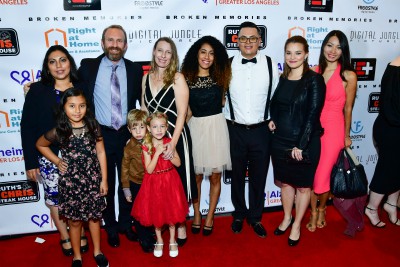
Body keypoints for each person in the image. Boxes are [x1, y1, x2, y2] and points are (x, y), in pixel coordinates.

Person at [78, 24, 144, 248]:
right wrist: (36, 87)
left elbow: (140, 100)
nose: (114, 45)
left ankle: (126, 223)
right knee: (106, 184)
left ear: (125, 45)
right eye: (110, 40)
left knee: (128, 181)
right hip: (101, 136)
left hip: (127, 135)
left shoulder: (135, 70)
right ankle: (112, 226)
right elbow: (67, 85)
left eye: (119, 41)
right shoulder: (88, 67)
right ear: (103, 43)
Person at [20, 45, 88, 256]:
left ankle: (81, 231)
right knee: (55, 198)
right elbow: (27, 126)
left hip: (80, 156)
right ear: (47, 67)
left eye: (63, 60)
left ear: (70, 62)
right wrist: (30, 162)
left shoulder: (82, 87)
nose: (59, 66)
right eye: (52, 61)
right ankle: (65, 236)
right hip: (49, 156)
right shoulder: (37, 90)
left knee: (80, 196)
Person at [36, 88, 109, 267]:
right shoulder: (60, 130)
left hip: (92, 179)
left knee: (94, 219)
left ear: (87, 107)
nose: (77, 110)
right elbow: (40, 144)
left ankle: (98, 251)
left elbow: (101, 152)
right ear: (64, 108)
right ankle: (77, 256)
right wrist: (57, 160)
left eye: (82, 106)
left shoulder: (93, 126)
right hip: (71, 181)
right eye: (72, 106)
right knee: (74, 222)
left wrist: (104, 179)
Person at [222, 21, 279, 237]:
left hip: (262, 131)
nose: (248, 42)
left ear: (259, 41)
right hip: (234, 129)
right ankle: (238, 214)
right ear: (237, 41)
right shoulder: (226, 65)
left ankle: (255, 217)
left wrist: (273, 119)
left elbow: (276, 97)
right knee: (236, 175)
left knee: (259, 176)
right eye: (243, 38)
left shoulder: (270, 64)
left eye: (252, 38)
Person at [268, 36, 326, 246]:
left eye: (298, 53)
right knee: (285, 183)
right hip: (280, 140)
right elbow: (277, 105)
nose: (292, 57)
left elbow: (313, 114)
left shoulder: (314, 80)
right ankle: (286, 217)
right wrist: (272, 120)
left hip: (304, 141)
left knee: (302, 187)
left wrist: (300, 144)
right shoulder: (283, 78)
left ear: (307, 54)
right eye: (289, 53)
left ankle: (296, 225)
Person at [141, 37, 196, 245]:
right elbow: (145, 109)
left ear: (173, 56)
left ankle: (180, 224)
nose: (163, 56)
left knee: (178, 183)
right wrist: (147, 138)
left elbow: (183, 113)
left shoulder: (178, 78)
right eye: (160, 51)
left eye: (168, 52)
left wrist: (172, 143)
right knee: (157, 183)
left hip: (175, 137)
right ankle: (160, 221)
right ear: (154, 52)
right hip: (153, 138)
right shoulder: (146, 77)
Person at [181, 35, 232, 236]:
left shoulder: (222, 76)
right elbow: (186, 110)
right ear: (196, 53)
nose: (207, 57)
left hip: (217, 128)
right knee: (196, 176)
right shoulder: (185, 77)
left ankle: (210, 215)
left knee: (216, 176)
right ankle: (196, 213)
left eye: (211, 53)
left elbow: (222, 102)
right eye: (203, 52)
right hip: (195, 128)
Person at [307, 30, 358, 232]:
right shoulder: (313, 71)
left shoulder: (349, 75)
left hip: (334, 130)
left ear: (343, 50)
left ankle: (321, 208)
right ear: (323, 46)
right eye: (329, 45)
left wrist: (346, 135)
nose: (333, 50)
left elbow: (348, 109)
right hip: (313, 130)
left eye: (338, 46)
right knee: (312, 174)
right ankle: (312, 211)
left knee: (325, 174)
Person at [132, 112, 189, 258]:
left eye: (162, 126)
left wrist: (170, 155)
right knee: (156, 216)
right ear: (149, 129)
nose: (159, 130)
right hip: (154, 183)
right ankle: (159, 240)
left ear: (166, 128)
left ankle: (172, 240)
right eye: (155, 127)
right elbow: (149, 169)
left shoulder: (169, 142)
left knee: (171, 214)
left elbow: (178, 163)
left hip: (170, 181)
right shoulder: (146, 146)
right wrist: (157, 153)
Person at [365, 56, 400, 227]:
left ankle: (391, 204)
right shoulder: (395, 69)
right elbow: (390, 109)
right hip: (391, 129)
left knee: (397, 169)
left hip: (395, 126)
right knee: (387, 170)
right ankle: (371, 208)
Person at [121, 109, 155, 252]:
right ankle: (144, 237)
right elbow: (124, 168)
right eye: (134, 128)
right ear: (129, 129)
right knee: (139, 212)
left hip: (152, 182)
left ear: (147, 126)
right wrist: (126, 188)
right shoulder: (129, 146)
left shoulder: (153, 142)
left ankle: (151, 232)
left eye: (142, 127)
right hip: (136, 183)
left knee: (152, 208)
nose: (139, 132)